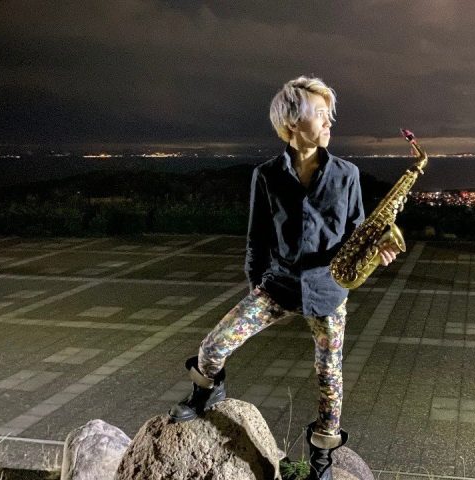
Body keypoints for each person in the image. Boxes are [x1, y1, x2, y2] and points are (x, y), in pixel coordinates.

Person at [168, 75, 401, 480]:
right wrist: (256, 286)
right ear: (292, 123)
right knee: (212, 347)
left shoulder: (347, 174)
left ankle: (322, 459)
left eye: (329, 114)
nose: (329, 121)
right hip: (277, 286)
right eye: (320, 114)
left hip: (328, 292)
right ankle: (207, 392)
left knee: (330, 380)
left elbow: (358, 233)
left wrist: (377, 251)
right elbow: (256, 239)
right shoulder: (266, 176)